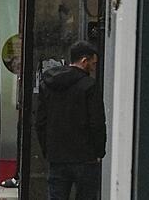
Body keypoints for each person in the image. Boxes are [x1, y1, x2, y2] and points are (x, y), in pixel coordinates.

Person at [35, 41, 106, 200]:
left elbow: (40, 122)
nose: (94, 68)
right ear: (84, 61)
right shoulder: (89, 86)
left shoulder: (48, 84)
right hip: (85, 157)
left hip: (57, 156)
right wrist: (99, 151)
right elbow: (97, 123)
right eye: (93, 63)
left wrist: (48, 150)